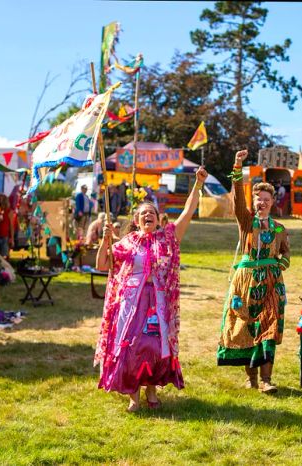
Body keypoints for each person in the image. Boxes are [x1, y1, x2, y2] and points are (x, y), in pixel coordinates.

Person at [94, 166, 208, 412]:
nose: (148, 216)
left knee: (154, 345)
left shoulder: (167, 238)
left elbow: (188, 213)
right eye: (143, 213)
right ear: (136, 221)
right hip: (130, 302)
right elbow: (103, 264)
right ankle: (134, 397)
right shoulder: (127, 242)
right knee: (131, 345)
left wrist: (197, 185)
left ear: (158, 219)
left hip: (157, 301)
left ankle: (152, 390)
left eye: (152, 213)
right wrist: (105, 242)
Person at [217, 149, 290, 394]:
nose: (263, 202)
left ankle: (267, 380)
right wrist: (237, 167)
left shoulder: (279, 229)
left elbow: (286, 254)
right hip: (246, 281)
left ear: (272, 202)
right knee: (246, 325)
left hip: (271, 283)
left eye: (267, 199)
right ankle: (251, 378)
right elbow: (238, 199)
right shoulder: (247, 222)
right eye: (259, 198)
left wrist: (279, 264)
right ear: (255, 201)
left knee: (269, 326)